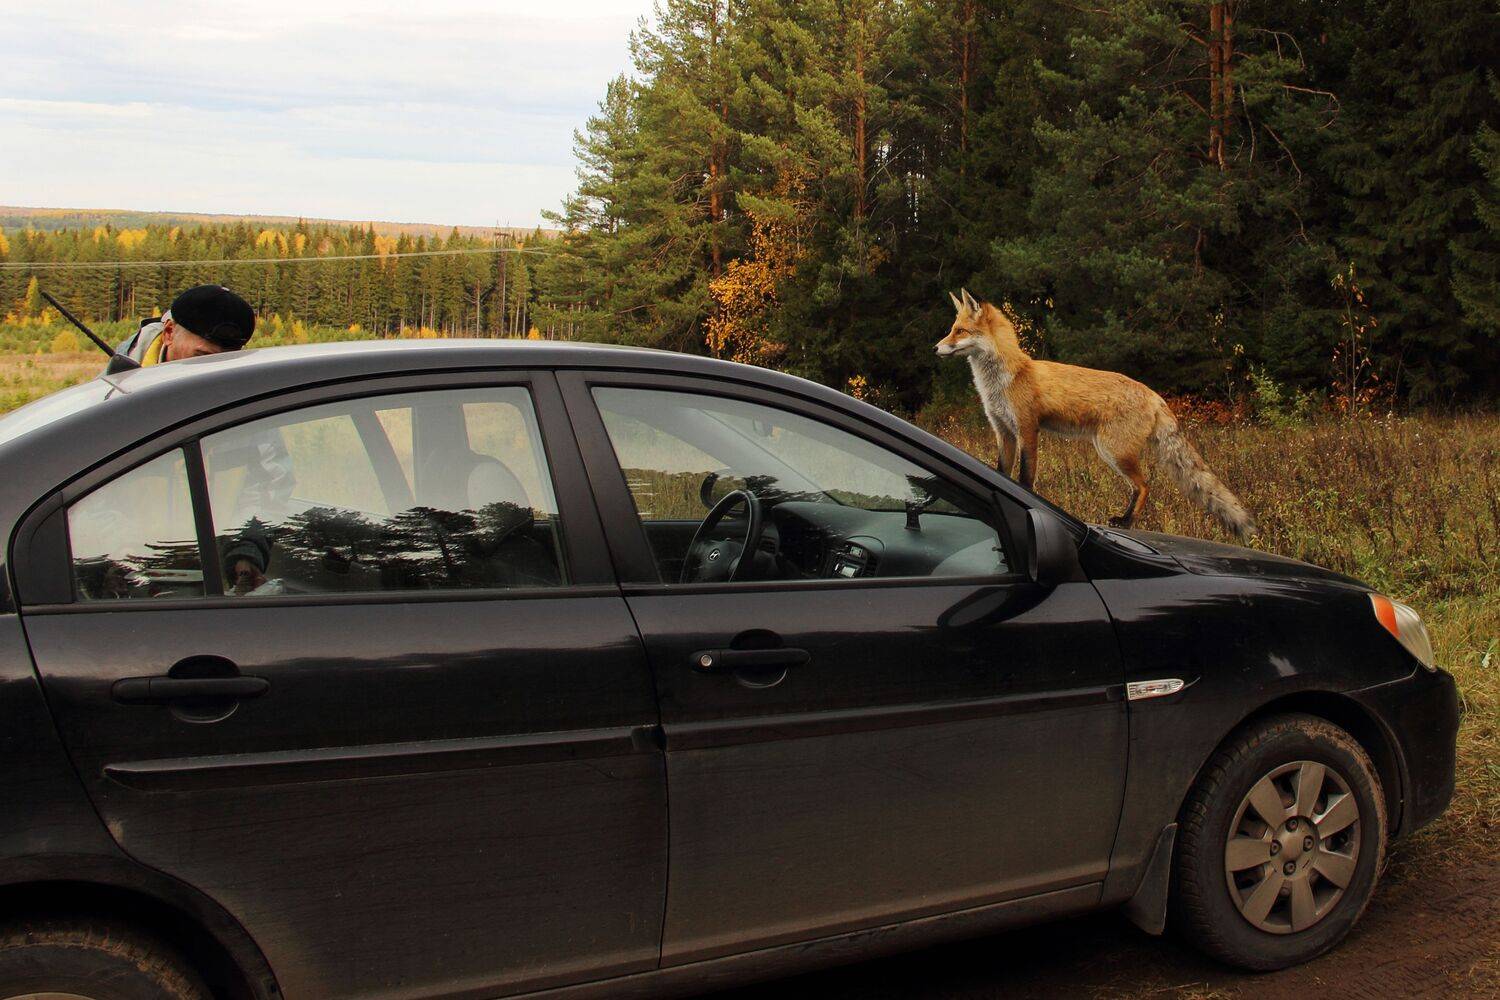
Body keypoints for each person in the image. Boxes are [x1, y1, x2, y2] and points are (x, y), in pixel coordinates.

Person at [115, 284, 257, 367]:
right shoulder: (123, 378)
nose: (214, 370)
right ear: (169, 333)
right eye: (202, 357)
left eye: (226, 361)